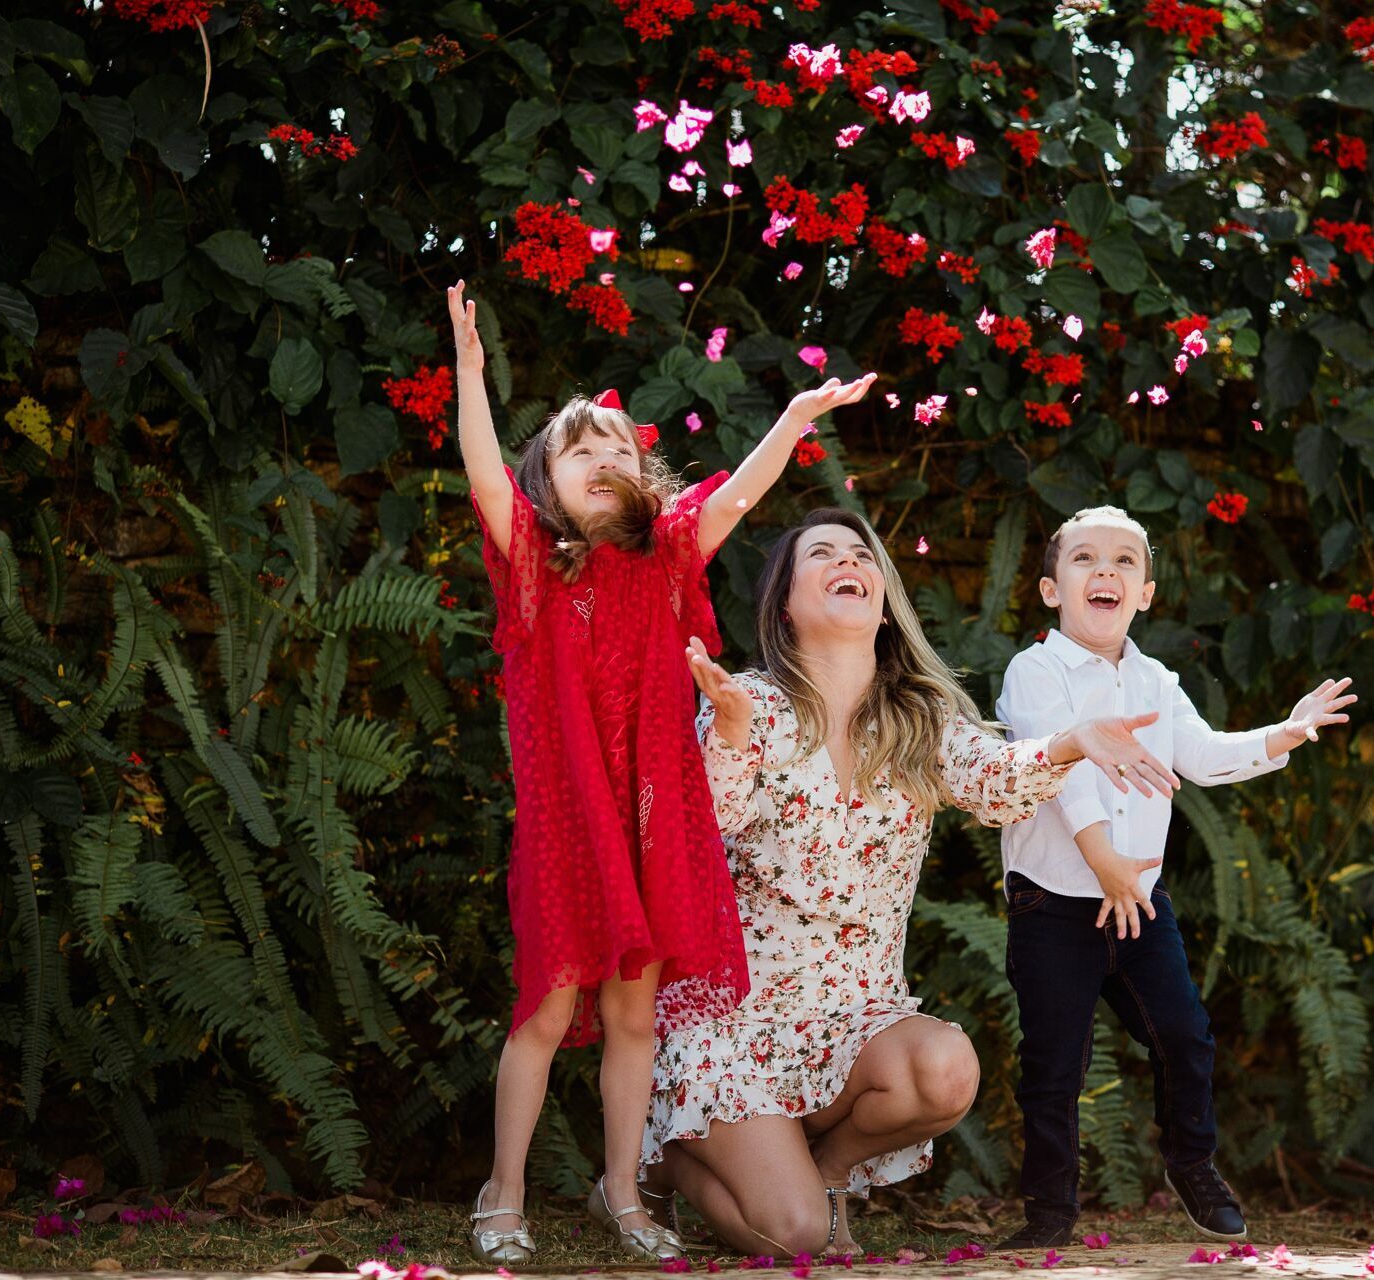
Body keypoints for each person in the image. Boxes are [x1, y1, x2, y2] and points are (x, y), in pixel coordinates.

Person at [445, 280, 876, 1263]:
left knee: (633, 1009)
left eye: (617, 447)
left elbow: (736, 494)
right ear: (545, 485)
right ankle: (500, 1188)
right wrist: (471, 374)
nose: (602, 457)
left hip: (657, 816)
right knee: (549, 1004)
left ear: (644, 479)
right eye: (578, 447)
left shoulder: (667, 555)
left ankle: (627, 1193)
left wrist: (798, 419)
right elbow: (479, 476)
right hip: (570, 817)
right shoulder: (533, 565)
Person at [650, 508, 1182, 1257]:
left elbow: (996, 783)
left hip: (856, 1025)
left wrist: (1070, 744)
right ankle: (668, 1156)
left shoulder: (919, 718)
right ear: (785, 601)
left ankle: (825, 1172)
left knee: (944, 1069)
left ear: (883, 592)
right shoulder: (751, 703)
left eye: (862, 555)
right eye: (824, 554)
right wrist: (731, 734)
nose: (850, 562)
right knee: (799, 1238)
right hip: (736, 1029)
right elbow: (708, 821)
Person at [993, 505, 1356, 1248]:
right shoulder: (1036, 671)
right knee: (1055, 1065)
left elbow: (1204, 754)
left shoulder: (1157, 681)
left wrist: (1281, 735)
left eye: (1125, 562)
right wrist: (1103, 862)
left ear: (1147, 594)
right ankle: (1049, 1214)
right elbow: (1061, 775)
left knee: (1185, 1038)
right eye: (1086, 559)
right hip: (1055, 906)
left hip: (1139, 905)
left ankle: (1191, 1162)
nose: (1106, 571)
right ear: (1050, 590)